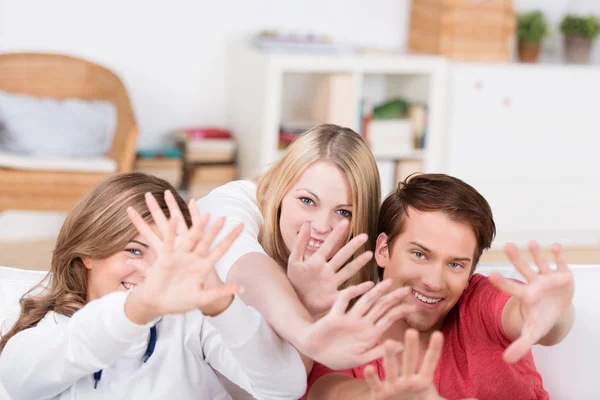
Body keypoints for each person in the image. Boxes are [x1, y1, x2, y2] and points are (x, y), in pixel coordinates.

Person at [0, 173, 308, 400]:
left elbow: (284, 388)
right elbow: (19, 378)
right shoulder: (47, 338)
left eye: (166, 255)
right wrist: (137, 309)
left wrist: (222, 305)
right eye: (134, 250)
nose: (152, 271)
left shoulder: (190, 327)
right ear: (89, 252)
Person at [304, 173, 575, 400]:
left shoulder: (480, 303)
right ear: (384, 249)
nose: (434, 282)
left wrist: (554, 315)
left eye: (455, 264)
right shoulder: (345, 329)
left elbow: (532, 315)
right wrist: (380, 395)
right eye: (420, 255)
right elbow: (326, 391)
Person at [195, 124, 415, 370]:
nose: (321, 226)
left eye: (343, 212)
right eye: (307, 201)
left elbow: (288, 385)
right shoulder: (236, 201)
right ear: (279, 191)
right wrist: (305, 329)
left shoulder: (352, 279)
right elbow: (246, 265)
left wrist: (308, 308)